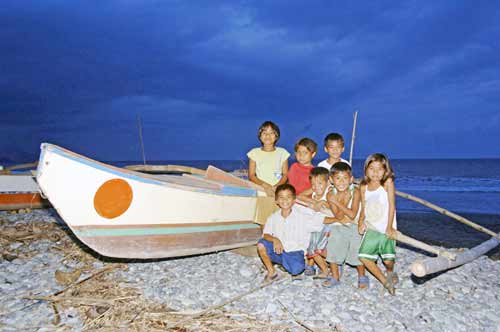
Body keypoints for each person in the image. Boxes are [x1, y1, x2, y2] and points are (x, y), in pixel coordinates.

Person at [257, 184, 334, 283]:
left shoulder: (302, 216)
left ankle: (287, 264)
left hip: (295, 251)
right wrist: (275, 239)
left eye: (288, 197)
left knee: (296, 270)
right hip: (279, 249)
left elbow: (321, 220)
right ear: (276, 200)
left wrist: (339, 219)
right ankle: (272, 272)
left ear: (294, 200)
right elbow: (266, 234)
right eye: (281, 197)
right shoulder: (273, 218)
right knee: (261, 244)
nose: (285, 200)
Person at [322, 162, 368, 289]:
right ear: (331, 180)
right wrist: (344, 201)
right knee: (333, 247)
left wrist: (339, 202)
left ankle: (362, 276)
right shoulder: (330, 194)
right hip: (338, 224)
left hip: (354, 225)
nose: (341, 182)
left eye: (345, 178)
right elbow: (338, 216)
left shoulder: (356, 191)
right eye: (338, 178)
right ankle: (335, 277)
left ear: (351, 179)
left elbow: (352, 215)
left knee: (356, 249)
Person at [357, 153, 398, 295]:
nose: (375, 172)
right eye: (372, 168)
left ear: (385, 171)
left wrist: (390, 226)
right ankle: (384, 280)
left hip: (386, 227)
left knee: (388, 260)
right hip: (372, 227)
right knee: (363, 256)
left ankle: (390, 271)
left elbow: (392, 205)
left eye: (379, 169)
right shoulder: (364, 186)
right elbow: (364, 206)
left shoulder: (387, 183)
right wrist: (361, 221)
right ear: (366, 170)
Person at [299, 167, 332, 278]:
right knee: (311, 247)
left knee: (316, 249)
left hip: (326, 225)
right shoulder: (314, 190)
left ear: (328, 183)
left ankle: (330, 266)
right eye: (313, 184)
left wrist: (322, 202)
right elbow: (300, 196)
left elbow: (331, 205)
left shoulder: (329, 192)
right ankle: (325, 268)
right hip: (315, 224)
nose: (315, 187)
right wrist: (314, 202)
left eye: (319, 183)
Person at [247, 121, 290, 197]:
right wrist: (266, 186)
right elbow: (251, 175)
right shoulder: (254, 153)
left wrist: (276, 187)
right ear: (260, 136)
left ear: (276, 136)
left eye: (271, 133)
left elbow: (285, 174)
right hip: (260, 190)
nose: (268, 135)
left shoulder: (283, 153)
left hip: (278, 190)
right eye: (264, 133)